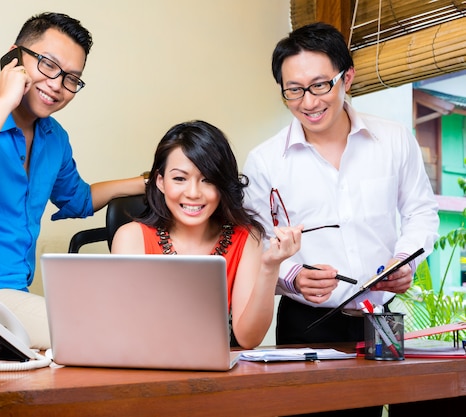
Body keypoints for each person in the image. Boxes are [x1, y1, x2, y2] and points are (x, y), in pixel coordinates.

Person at [0, 12, 144, 349]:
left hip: (9, 299)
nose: (57, 85)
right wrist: (5, 101)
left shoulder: (54, 138)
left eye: (71, 78)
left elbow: (78, 198)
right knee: (101, 332)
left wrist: (149, 181)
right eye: (48, 65)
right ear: (15, 58)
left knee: (111, 326)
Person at [242, 22, 439, 417]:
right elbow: (256, 241)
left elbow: (420, 212)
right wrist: (293, 275)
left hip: (381, 319)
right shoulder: (264, 161)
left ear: (346, 77)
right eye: (293, 90)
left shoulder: (394, 138)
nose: (308, 101)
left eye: (320, 85)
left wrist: (406, 260)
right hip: (307, 324)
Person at [111, 120, 303, 349]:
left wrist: (270, 267)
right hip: (144, 368)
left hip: (215, 373)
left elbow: (248, 339)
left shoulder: (246, 238)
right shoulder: (131, 237)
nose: (193, 193)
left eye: (208, 180)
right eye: (179, 179)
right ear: (160, 182)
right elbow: (125, 331)